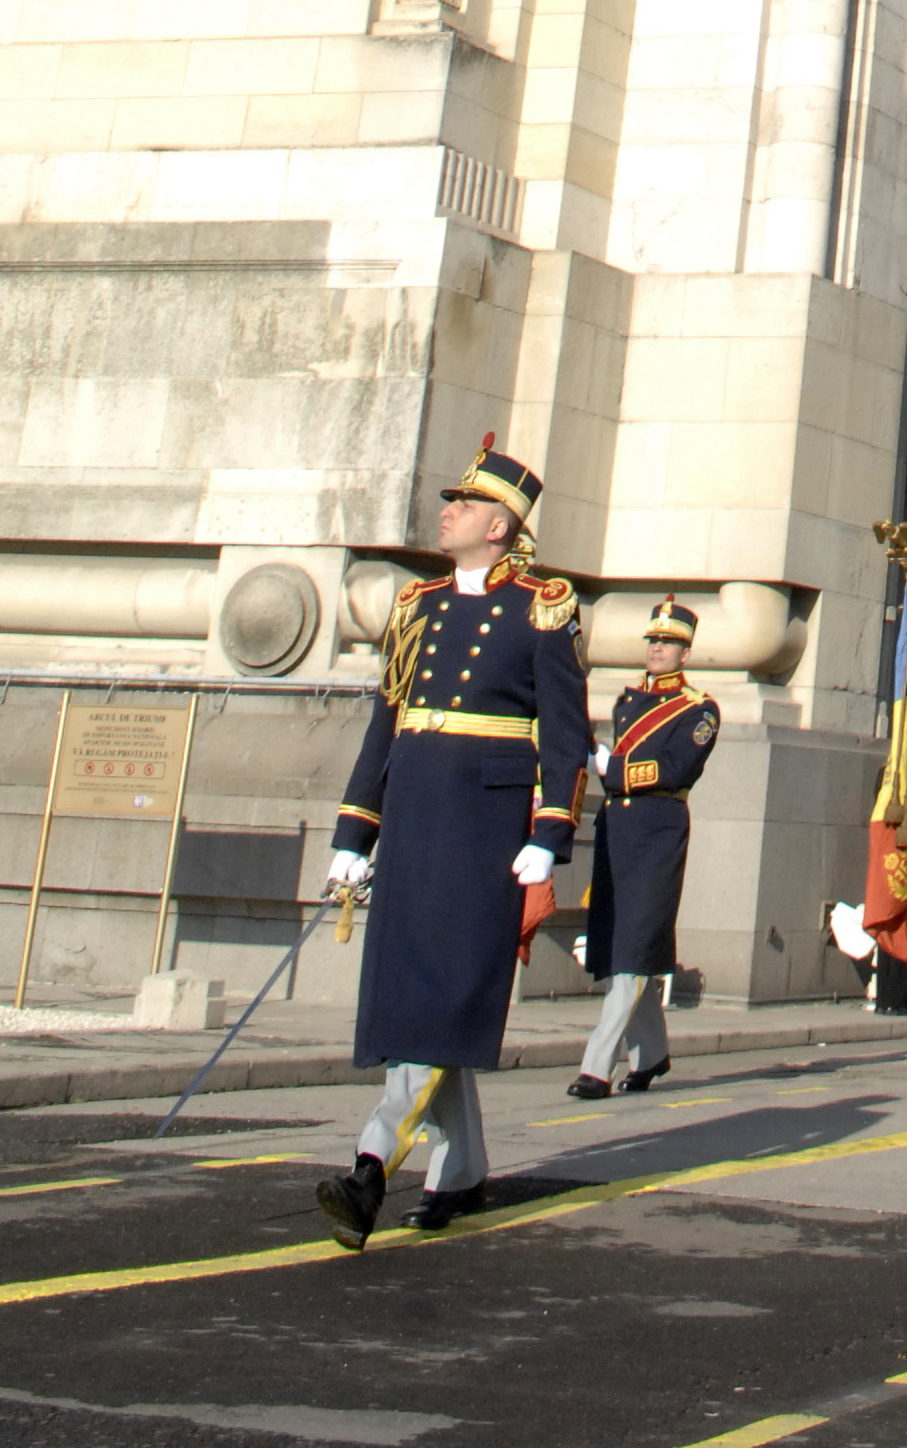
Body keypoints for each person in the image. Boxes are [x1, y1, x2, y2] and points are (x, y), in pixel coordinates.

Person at [315, 436, 591, 1247]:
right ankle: (461, 1167)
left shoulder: (544, 604)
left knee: (444, 991)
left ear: (501, 525)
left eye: (462, 503)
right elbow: (384, 725)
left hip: (485, 828)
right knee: (422, 995)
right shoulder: (417, 605)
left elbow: (566, 737)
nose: (446, 512)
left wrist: (549, 833)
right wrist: (354, 831)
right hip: (415, 816)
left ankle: (371, 1166)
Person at [568, 597, 719, 1100]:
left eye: (668, 642)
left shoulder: (700, 708)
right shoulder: (628, 698)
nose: (657, 648)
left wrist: (609, 769)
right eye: (653, 640)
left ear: (686, 652)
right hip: (619, 828)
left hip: (658, 829)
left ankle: (595, 1067)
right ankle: (652, 1055)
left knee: (633, 948)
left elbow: (675, 768)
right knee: (623, 945)